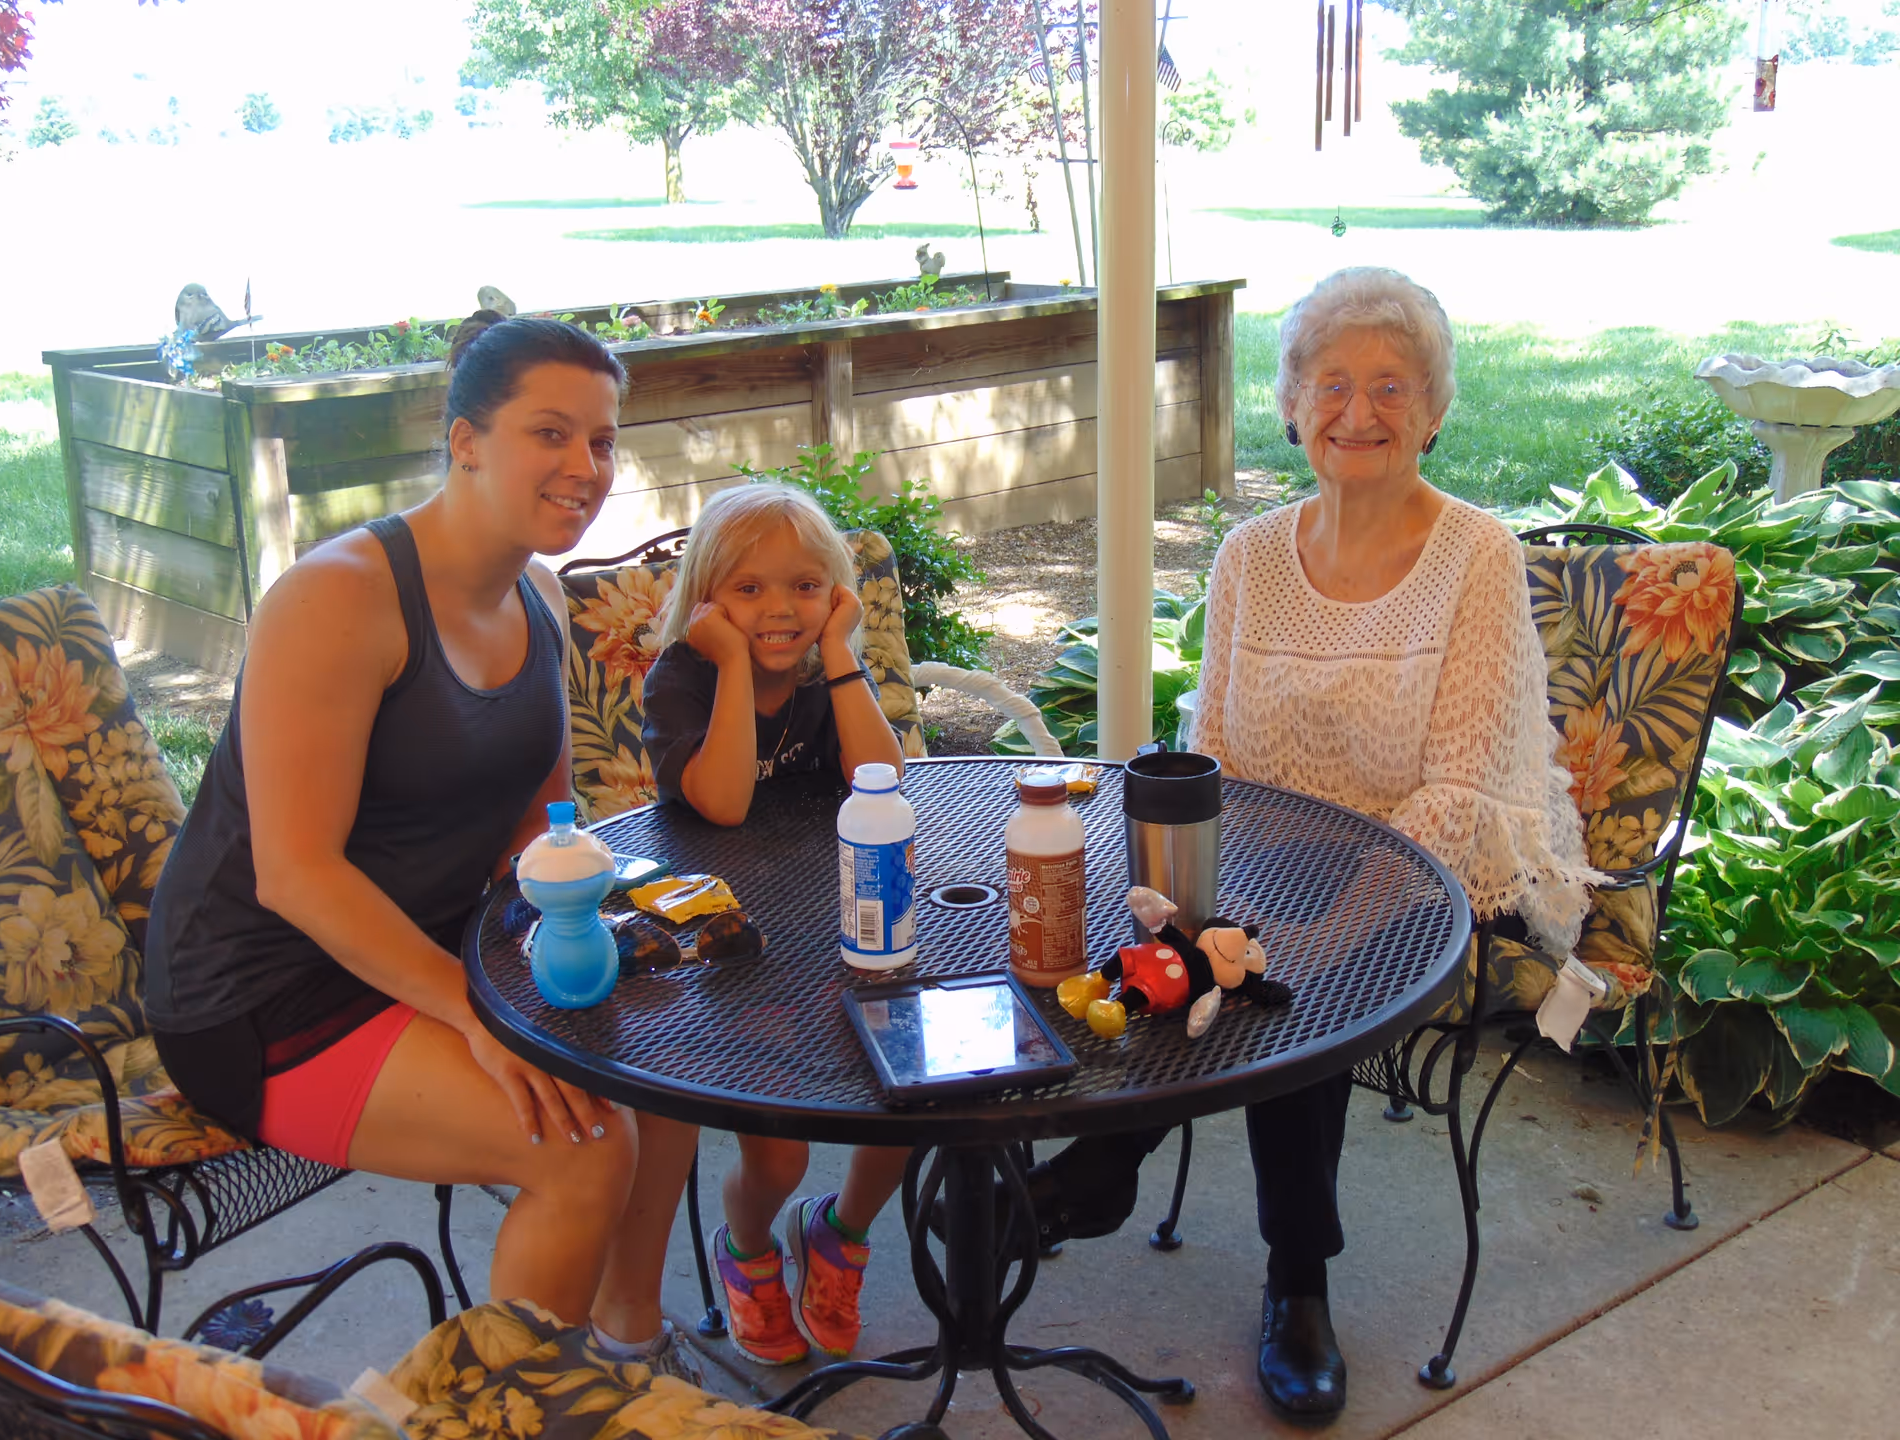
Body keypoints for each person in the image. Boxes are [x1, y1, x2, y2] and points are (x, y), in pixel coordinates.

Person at [1017, 268, 1600, 1419]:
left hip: (1432, 870)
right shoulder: (1250, 557)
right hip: (1268, 858)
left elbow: (1458, 784)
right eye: (1331, 384)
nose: (1359, 412)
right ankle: (1097, 1148)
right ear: (1293, 404)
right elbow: (1219, 751)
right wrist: (1201, 891)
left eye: (1392, 387)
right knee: (1159, 920)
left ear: (1434, 411)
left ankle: (1281, 1270)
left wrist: (1310, 920)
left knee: (1294, 975)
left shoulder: (1476, 556)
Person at [142, 313, 702, 1376]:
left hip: (427, 951)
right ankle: (506, 1405)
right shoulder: (338, 598)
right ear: (464, 440)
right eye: (551, 433)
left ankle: (629, 1355)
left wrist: (609, 926)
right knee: (583, 1149)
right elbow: (295, 874)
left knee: (665, 1067)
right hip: (262, 994)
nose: (585, 467)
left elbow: (541, 831)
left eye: (602, 440)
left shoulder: (536, 594)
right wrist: (475, 1013)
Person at [628, 482, 912, 1368]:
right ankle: (747, 1247)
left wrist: (837, 652)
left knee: (910, 1104)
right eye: (748, 590)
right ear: (709, 602)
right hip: (734, 945)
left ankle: (839, 1234)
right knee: (779, 1157)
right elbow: (720, 802)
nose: (779, 609)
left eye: (803, 585)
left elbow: (883, 779)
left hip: (840, 915)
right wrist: (738, 668)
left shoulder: (828, 673)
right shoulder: (684, 679)